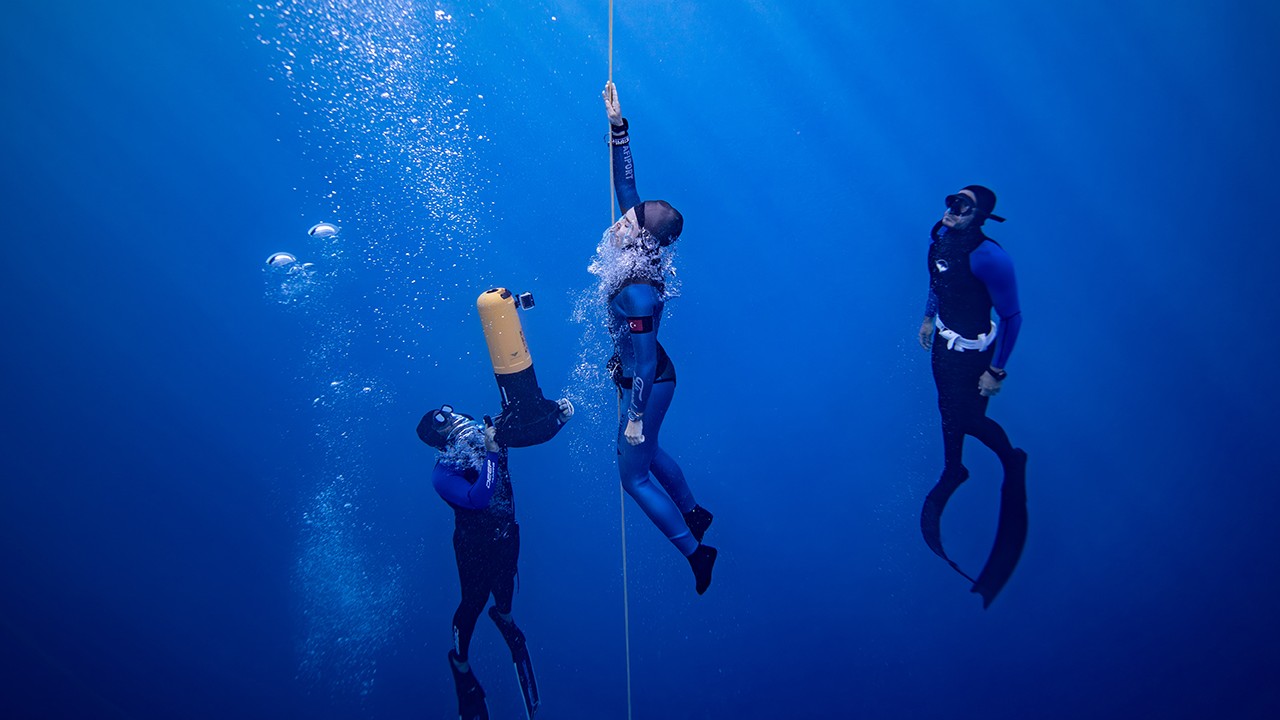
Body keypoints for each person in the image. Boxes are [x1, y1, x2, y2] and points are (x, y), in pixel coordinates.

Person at [597, 80, 717, 595]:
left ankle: (698, 552)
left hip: (651, 379)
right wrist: (618, 127)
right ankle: (695, 511)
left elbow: (645, 366)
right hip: (643, 371)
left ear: (643, 234)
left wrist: (636, 418)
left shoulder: (640, 292)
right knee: (647, 454)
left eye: (630, 218)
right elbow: (628, 186)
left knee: (633, 476)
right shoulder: (636, 239)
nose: (621, 218)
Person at [417, 399, 573, 719]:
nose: (454, 417)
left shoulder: (486, 431)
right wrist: (489, 452)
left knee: (504, 589)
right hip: (473, 548)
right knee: (473, 602)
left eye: (449, 412)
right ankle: (460, 664)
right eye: (444, 422)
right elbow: (478, 498)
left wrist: (556, 418)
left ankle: (504, 619)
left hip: (506, 534)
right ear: (440, 440)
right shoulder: (443, 473)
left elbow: (524, 432)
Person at [917, 184, 1029, 609]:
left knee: (967, 415)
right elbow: (936, 279)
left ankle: (1010, 456)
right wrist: (929, 318)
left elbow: (1012, 315)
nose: (953, 209)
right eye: (952, 201)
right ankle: (954, 469)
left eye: (964, 206)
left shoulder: (989, 256)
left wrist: (996, 370)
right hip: (944, 345)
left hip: (974, 356)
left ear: (979, 217)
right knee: (947, 411)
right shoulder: (939, 237)